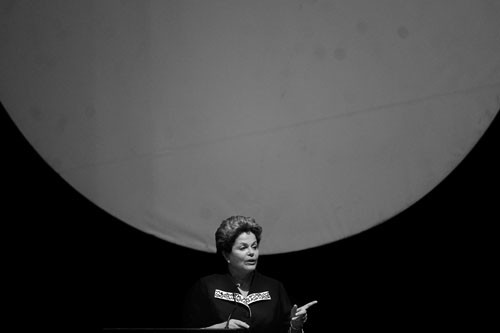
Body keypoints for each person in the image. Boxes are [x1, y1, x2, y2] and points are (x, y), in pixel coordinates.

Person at [182, 215, 317, 332]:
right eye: (243, 248)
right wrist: (220, 328)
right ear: (226, 254)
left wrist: (295, 325)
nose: (251, 252)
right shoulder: (207, 286)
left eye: (254, 246)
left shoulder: (274, 288)